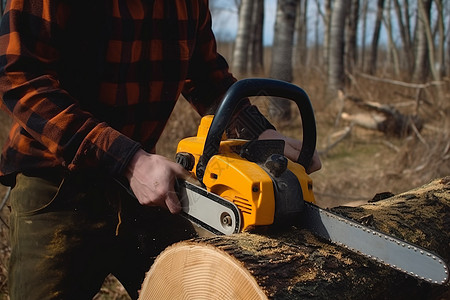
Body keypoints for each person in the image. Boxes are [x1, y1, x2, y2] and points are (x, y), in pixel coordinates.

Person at [0, 1, 321, 299]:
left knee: (191, 287)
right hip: (56, 183)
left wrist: (260, 135)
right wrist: (127, 159)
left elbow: (207, 75)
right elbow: (20, 77)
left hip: (146, 180)